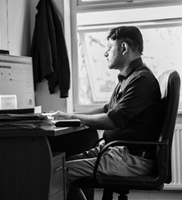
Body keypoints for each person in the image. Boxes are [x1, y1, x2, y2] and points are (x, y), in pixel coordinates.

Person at [51, 26, 163, 200]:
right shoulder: (128, 78)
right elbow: (106, 110)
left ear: (124, 48)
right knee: (58, 165)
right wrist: (70, 116)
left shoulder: (141, 80)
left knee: (59, 174)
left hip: (130, 158)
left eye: (110, 47)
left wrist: (73, 118)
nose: (106, 53)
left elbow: (111, 120)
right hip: (117, 151)